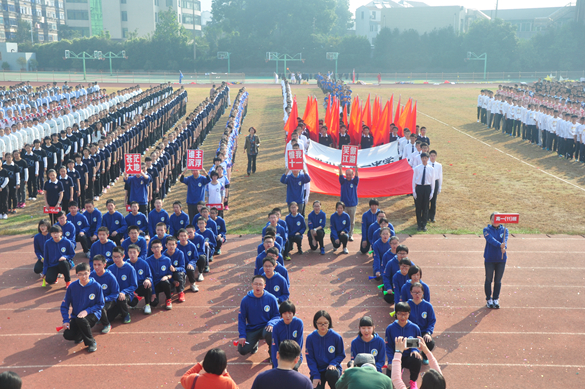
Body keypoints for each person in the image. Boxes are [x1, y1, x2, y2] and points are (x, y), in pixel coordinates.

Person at [61, 262, 104, 353]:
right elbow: (64, 305)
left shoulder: (96, 286)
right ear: (76, 275)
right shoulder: (72, 287)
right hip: (77, 316)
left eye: (85, 274)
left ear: (89, 272)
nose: (83, 277)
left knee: (81, 320)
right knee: (68, 334)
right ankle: (80, 335)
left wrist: (87, 311)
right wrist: (65, 320)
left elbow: (100, 304)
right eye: (80, 274)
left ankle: (91, 342)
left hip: (93, 314)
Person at [237, 275, 280, 358]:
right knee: (242, 350)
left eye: (260, 284)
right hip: (253, 328)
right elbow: (241, 319)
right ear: (252, 285)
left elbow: (277, 315)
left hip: (266, 327)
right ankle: (254, 343)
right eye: (256, 284)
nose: (258, 286)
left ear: (264, 286)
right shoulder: (245, 300)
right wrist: (242, 335)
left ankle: (272, 354)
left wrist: (271, 323)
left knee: (270, 332)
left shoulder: (271, 298)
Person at [305, 310, 345, 389]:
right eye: (319, 323)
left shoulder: (336, 337)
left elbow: (341, 354)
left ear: (329, 323)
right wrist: (315, 375)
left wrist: (333, 363)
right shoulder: (310, 338)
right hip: (318, 370)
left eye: (325, 323)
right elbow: (310, 358)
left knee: (332, 374)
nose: (323, 326)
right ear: (315, 323)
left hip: (331, 369)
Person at [385, 302, 422, 385]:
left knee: (417, 359)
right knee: (390, 381)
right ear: (396, 313)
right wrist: (390, 361)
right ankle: (399, 373)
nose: (402, 317)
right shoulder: (390, 328)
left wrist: (415, 350)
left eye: (405, 314)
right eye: (400, 314)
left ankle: (413, 381)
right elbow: (389, 347)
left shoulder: (414, 328)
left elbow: (417, 343)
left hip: (409, 357)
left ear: (409, 314)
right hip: (396, 357)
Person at [406, 282, 436, 365]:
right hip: (410, 333)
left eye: (419, 292)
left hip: (423, 332)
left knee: (430, 342)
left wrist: (428, 333)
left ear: (423, 293)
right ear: (411, 293)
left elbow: (432, 320)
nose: (417, 294)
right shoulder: (407, 305)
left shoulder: (428, 306)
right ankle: (412, 354)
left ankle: (424, 356)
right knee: (410, 350)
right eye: (414, 292)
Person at [90, 255, 120, 334]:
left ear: (104, 265)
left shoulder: (110, 277)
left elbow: (115, 293)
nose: (96, 267)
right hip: (96, 299)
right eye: (94, 265)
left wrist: (105, 299)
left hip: (109, 300)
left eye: (99, 265)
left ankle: (107, 324)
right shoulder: (91, 275)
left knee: (101, 306)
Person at [484, 212, 508, 309]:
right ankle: (489, 299)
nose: (495, 221)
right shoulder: (486, 230)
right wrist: (500, 245)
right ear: (490, 220)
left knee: (498, 280)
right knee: (488, 279)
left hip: (501, 259)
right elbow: (490, 239)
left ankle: (495, 299)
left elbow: (505, 240)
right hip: (489, 259)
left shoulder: (505, 230)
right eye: (493, 219)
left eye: (497, 219)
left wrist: (504, 247)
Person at [270, 301, 304, 369]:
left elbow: (299, 343)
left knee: (292, 369)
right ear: (281, 314)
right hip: (282, 356)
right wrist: (277, 365)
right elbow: (275, 346)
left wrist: (294, 358)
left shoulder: (299, 323)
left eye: (290, 313)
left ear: (293, 314)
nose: (287, 316)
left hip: (294, 355)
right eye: (285, 313)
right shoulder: (276, 327)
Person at [146, 239, 174, 310]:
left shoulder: (167, 260)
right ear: (151, 249)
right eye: (154, 247)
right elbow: (147, 276)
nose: (156, 249)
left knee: (166, 282)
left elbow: (170, 274)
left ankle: (168, 299)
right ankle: (151, 297)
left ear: (161, 248)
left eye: (158, 247)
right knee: (154, 304)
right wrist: (153, 293)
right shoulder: (148, 261)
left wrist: (167, 277)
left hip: (162, 282)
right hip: (153, 284)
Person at [127, 244, 153, 314]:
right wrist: (130, 292)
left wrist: (148, 279)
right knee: (132, 303)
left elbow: (149, 276)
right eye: (130, 252)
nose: (132, 254)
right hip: (130, 289)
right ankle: (134, 302)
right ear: (127, 253)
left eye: (134, 252)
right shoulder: (125, 264)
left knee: (148, 286)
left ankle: (147, 305)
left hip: (141, 286)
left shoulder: (144, 263)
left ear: (138, 253)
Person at [412, 152, 434, 232]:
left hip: (427, 187)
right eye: (423, 158)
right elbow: (414, 180)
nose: (424, 160)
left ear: (428, 159)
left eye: (425, 158)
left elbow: (432, 181)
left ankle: (424, 224)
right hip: (419, 188)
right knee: (418, 207)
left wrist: (432, 192)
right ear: (421, 159)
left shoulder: (431, 169)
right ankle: (419, 224)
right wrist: (414, 191)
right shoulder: (417, 168)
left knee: (425, 207)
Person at [163, 236, 187, 302]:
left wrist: (175, 269)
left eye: (173, 244)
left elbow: (182, 267)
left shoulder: (180, 253)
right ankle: (169, 293)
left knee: (179, 274)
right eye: (169, 244)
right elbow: (163, 271)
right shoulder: (163, 255)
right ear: (166, 245)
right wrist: (173, 280)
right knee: (164, 279)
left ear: (176, 245)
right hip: (168, 275)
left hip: (177, 273)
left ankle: (180, 292)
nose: (171, 246)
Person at [338, 164, 359, 240]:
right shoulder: (343, 181)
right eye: (347, 174)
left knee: (352, 221)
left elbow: (357, 177)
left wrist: (356, 170)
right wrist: (340, 168)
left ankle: (350, 235)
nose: (348, 176)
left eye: (350, 175)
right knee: (343, 220)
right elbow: (340, 176)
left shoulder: (354, 182)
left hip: (353, 205)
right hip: (344, 206)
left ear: (352, 175)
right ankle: (343, 234)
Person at [428, 150, 442, 223]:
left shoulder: (439, 165)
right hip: (428, 182)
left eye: (434, 156)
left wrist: (439, 187)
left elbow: (440, 176)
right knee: (427, 201)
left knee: (433, 201)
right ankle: (426, 216)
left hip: (435, 182)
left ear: (436, 156)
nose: (432, 157)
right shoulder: (427, 164)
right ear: (429, 156)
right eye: (431, 156)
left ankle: (432, 216)